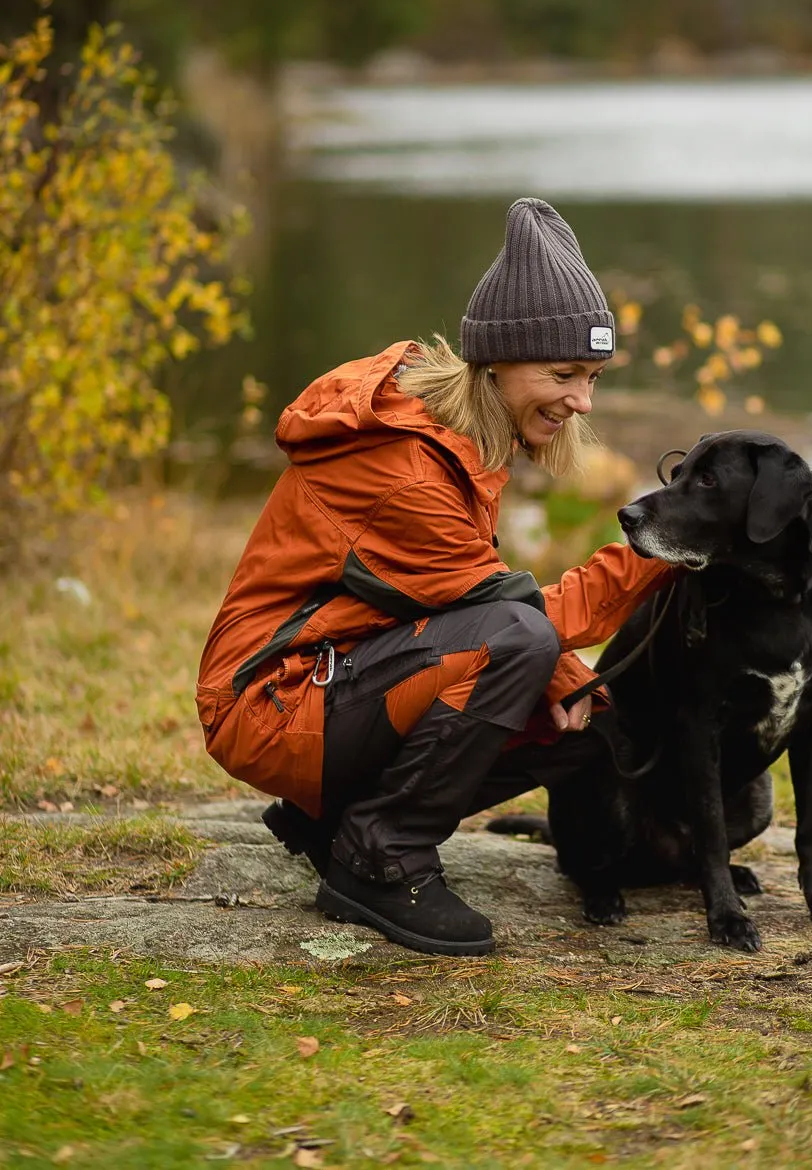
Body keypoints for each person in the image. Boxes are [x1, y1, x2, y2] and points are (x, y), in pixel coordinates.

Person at [196, 198, 672, 956]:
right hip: (272, 699)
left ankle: (337, 820)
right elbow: (513, 615)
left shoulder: (462, 435)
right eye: (565, 373)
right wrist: (660, 546)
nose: (583, 400)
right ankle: (379, 857)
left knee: (587, 722)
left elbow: (467, 602)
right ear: (496, 363)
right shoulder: (406, 471)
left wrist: (569, 683)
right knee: (521, 642)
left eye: (594, 376)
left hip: (337, 679)